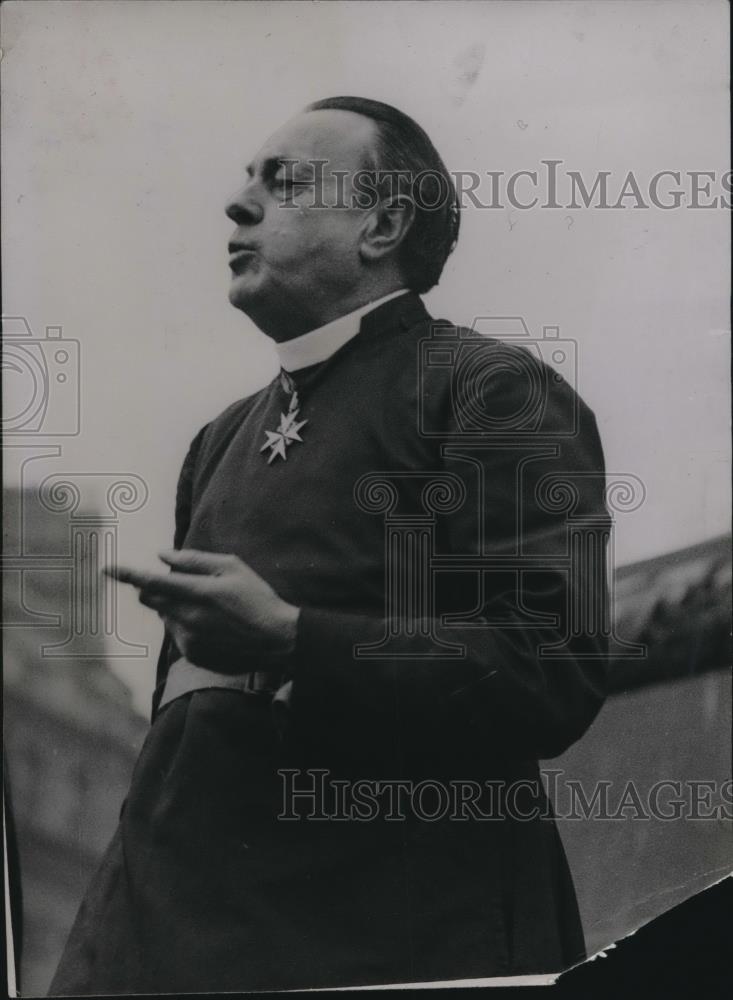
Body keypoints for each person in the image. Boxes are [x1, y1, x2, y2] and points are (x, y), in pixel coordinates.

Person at [50, 96, 610, 994]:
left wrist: (292, 638)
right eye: (245, 182)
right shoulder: (219, 439)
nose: (238, 206)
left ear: (382, 224)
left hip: (377, 931)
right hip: (161, 921)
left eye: (284, 183)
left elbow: (555, 666)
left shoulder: (489, 389)